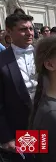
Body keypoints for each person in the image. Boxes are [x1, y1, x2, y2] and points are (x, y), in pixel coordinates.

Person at [0, 14, 36, 162]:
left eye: (31, 28)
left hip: (51, 122)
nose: (29, 33)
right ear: (9, 31)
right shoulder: (2, 61)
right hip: (23, 127)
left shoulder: (46, 54)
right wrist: (6, 136)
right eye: (23, 29)